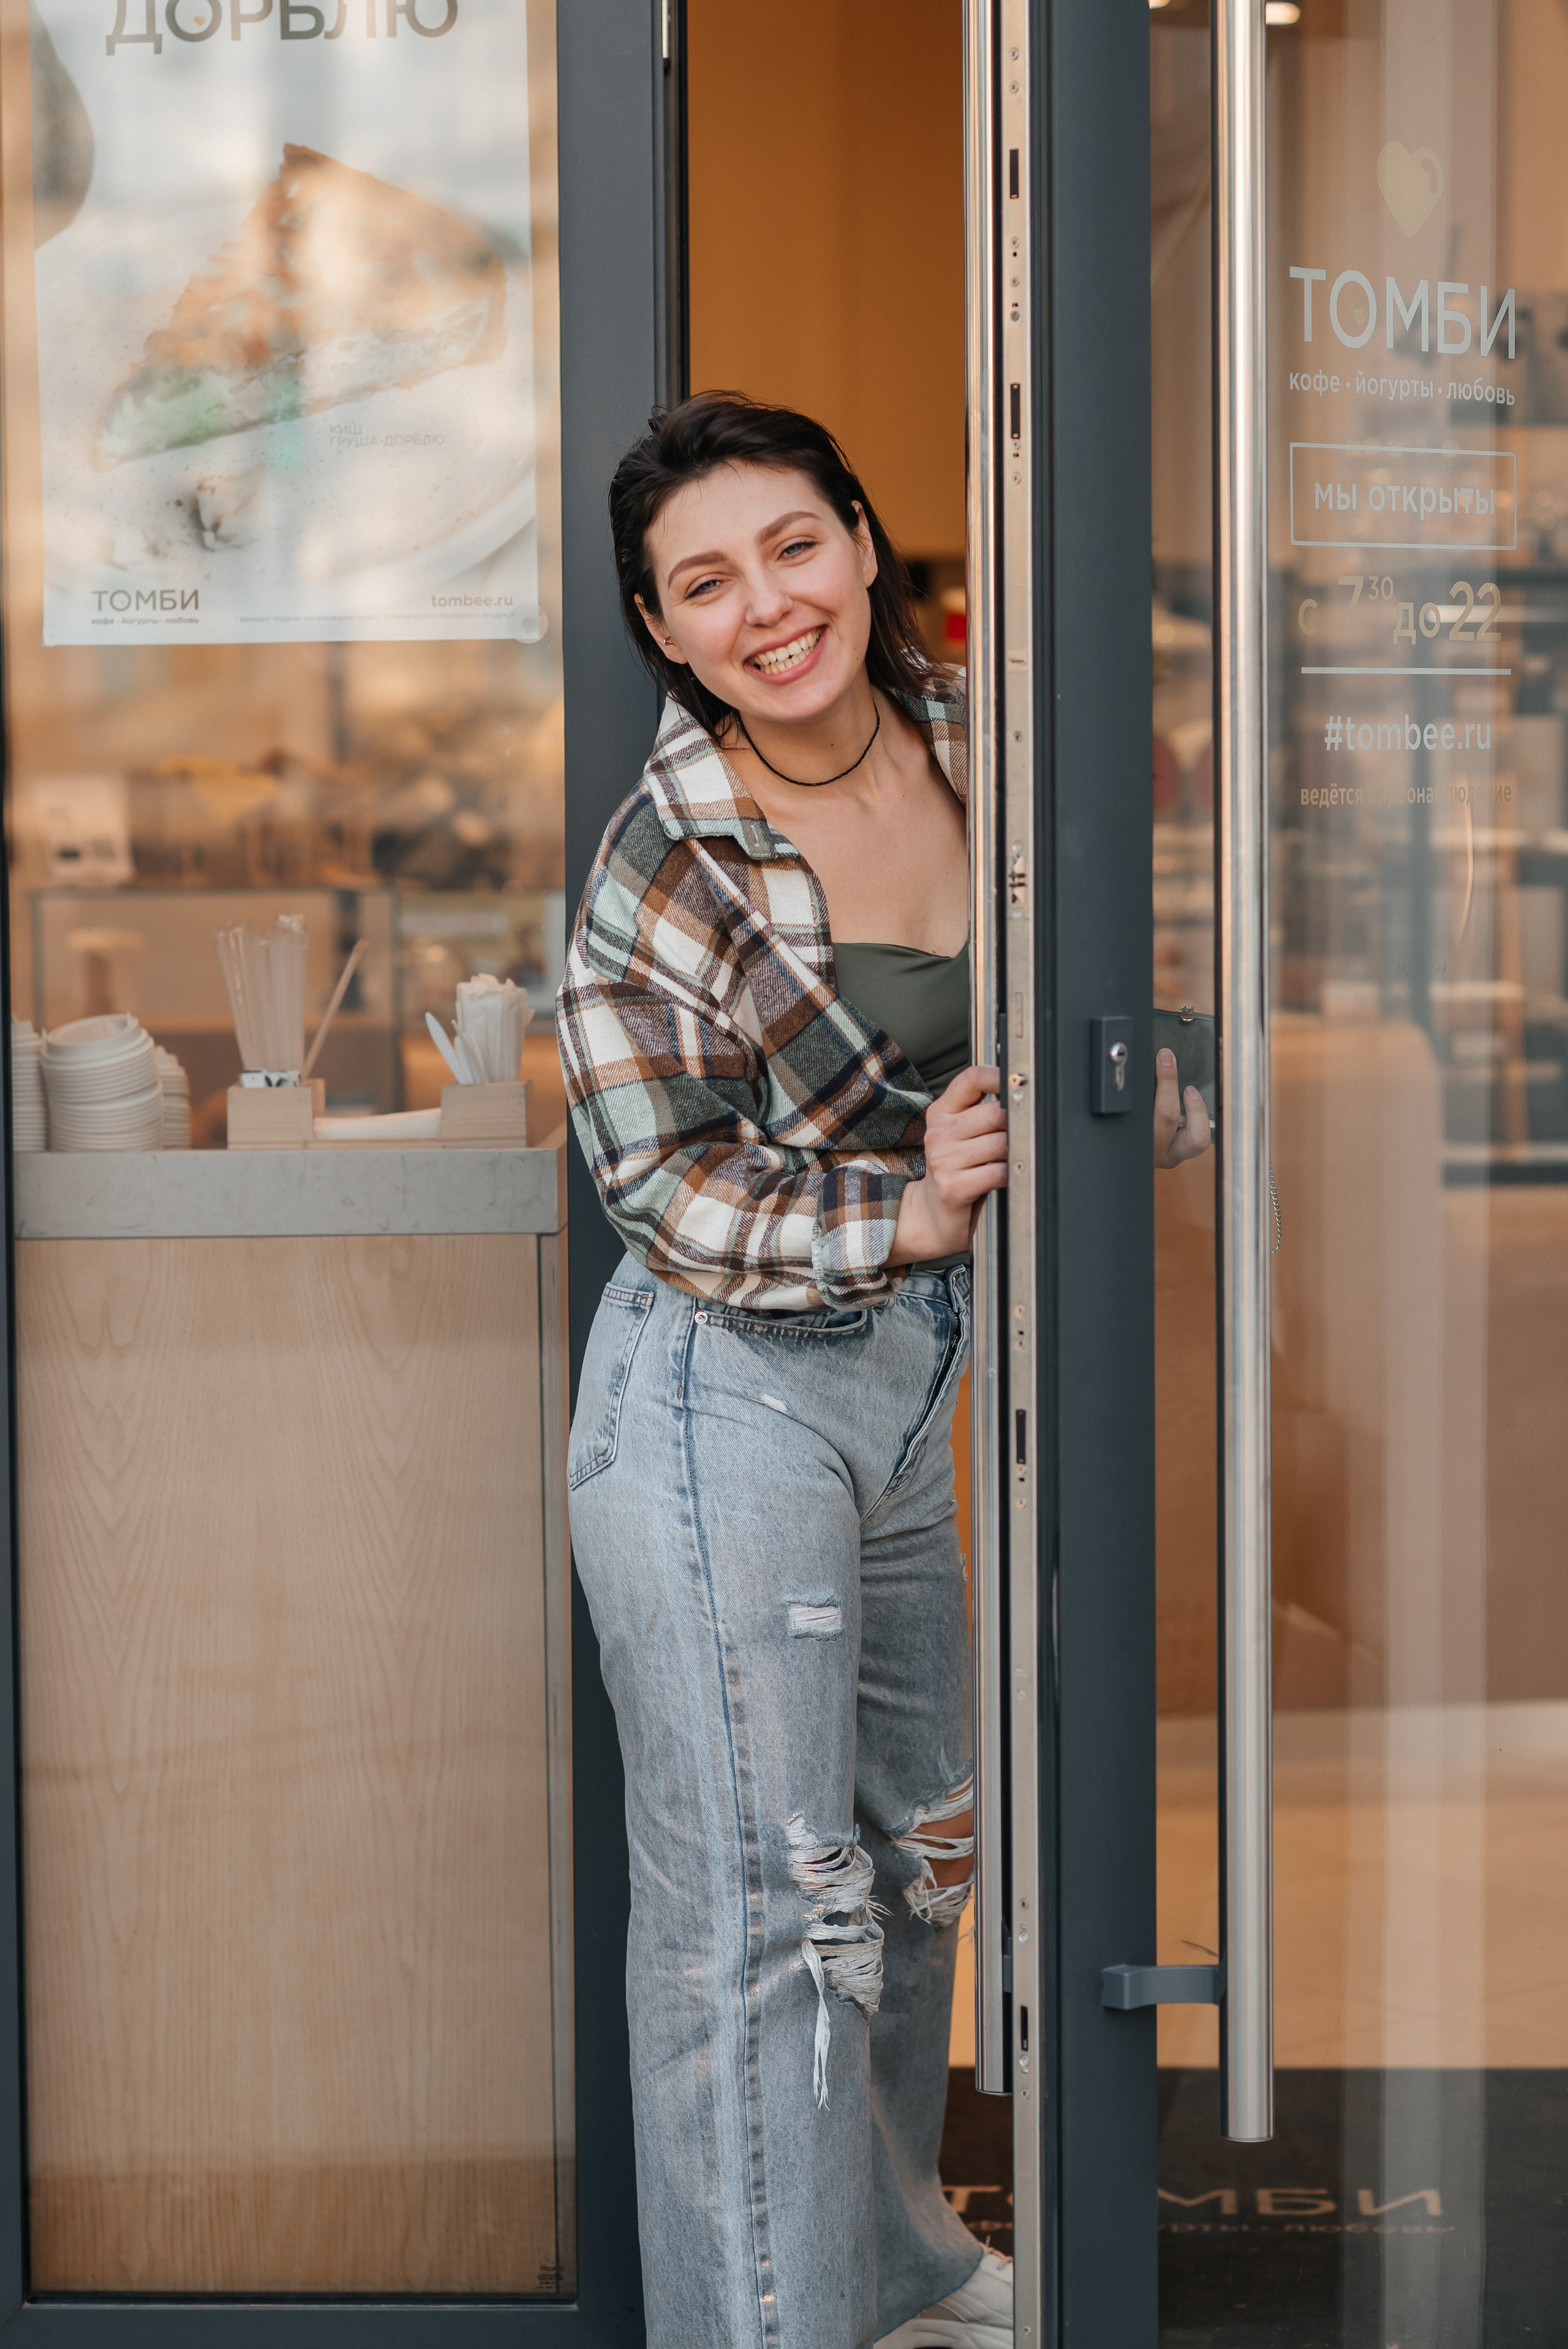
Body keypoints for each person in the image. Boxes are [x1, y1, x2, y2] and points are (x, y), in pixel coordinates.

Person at [558, 391, 1210, 2349]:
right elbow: (661, 1183)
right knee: (771, 1910)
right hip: (723, 1394)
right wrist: (908, 1211)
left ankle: (896, 2265)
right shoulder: (667, 852)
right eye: (704, 583)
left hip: (920, 1391)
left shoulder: (981, 742)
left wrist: (1133, 1093)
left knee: (922, 1860)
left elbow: (1089, 1011)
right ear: (662, 630)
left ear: (860, 538)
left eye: (793, 544)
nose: (766, 604)